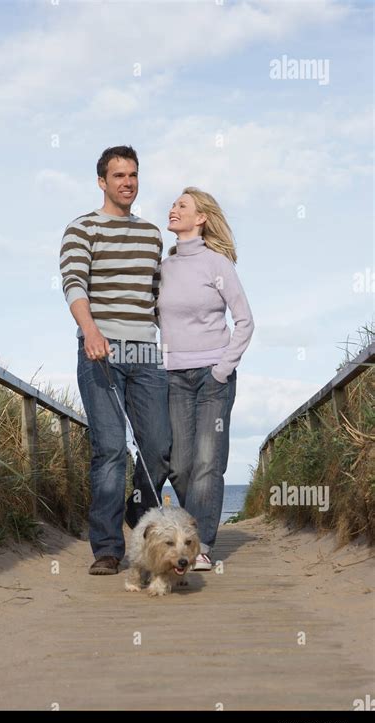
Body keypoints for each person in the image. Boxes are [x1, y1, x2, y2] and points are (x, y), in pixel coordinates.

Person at [60, 145, 172, 575]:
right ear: (102, 181)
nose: (127, 182)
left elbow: (157, 299)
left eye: (133, 175)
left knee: (159, 448)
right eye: (118, 175)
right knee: (109, 450)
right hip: (100, 350)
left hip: (146, 353)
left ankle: (136, 510)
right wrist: (90, 331)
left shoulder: (150, 235)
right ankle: (107, 549)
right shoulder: (82, 228)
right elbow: (74, 283)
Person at [157, 187, 254, 570]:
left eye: (182, 205)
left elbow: (245, 321)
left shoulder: (218, 265)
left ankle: (199, 548)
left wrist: (222, 369)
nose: (173, 209)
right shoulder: (163, 267)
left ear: (201, 218)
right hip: (173, 377)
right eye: (174, 204)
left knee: (209, 461)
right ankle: (192, 533)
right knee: (181, 464)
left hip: (214, 375)